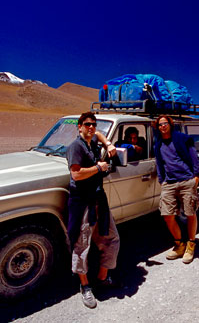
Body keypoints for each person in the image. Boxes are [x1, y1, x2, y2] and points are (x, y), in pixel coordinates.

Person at [66, 111, 120, 309]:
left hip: (99, 200)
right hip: (83, 203)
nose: (91, 127)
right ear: (79, 126)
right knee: (82, 245)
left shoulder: (93, 141)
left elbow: (98, 135)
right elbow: (76, 174)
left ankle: (102, 278)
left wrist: (108, 143)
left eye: (93, 125)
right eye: (87, 124)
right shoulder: (76, 147)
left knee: (112, 238)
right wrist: (99, 168)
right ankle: (85, 286)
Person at [153, 115, 199, 264]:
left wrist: (196, 177)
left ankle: (191, 244)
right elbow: (159, 164)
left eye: (165, 123)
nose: (163, 126)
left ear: (170, 124)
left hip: (186, 180)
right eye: (160, 124)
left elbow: (194, 158)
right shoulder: (158, 144)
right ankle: (179, 244)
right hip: (169, 183)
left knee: (190, 213)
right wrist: (162, 181)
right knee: (167, 215)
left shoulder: (182, 139)